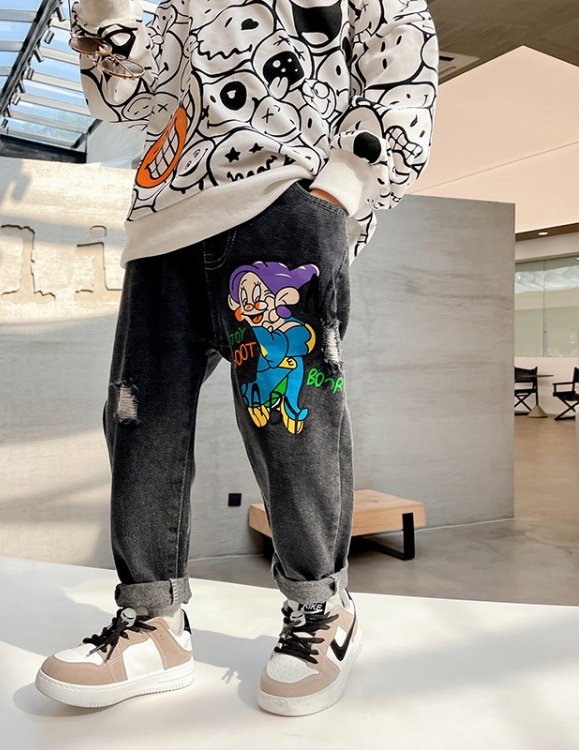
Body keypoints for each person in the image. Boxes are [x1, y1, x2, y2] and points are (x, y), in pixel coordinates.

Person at [35, 0, 438, 716]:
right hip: (165, 222)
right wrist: (104, 11)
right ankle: (153, 621)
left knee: (291, 422)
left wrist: (342, 188)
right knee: (139, 424)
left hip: (285, 205)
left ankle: (321, 608)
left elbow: (400, 50)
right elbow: (130, 97)